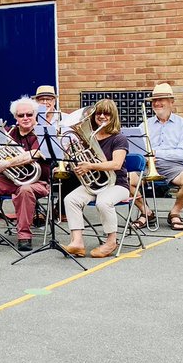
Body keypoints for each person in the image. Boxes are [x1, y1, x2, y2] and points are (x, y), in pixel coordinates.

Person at [0, 97, 50, 251]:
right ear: (15, 117)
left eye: (29, 114)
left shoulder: (43, 133)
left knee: (25, 191)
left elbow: (34, 153)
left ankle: (24, 236)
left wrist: (6, 163)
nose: (25, 118)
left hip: (36, 181)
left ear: (35, 115)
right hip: (8, 178)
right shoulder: (8, 132)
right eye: (21, 115)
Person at [61, 99, 131, 258]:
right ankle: (77, 242)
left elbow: (116, 164)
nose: (101, 116)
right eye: (98, 113)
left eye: (106, 113)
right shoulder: (87, 137)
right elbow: (84, 162)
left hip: (117, 184)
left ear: (112, 116)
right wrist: (78, 168)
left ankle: (111, 241)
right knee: (70, 199)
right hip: (95, 184)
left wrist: (90, 167)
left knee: (103, 201)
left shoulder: (118, 138)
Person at [139, 83, 183, 231]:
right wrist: (146, 157)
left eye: (161, 100)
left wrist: (154, 153)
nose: (157, 103)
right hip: (147, 165)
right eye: (154, 100)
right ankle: (145, 212)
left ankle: (175, 212)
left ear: (171, 101)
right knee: (124, 180)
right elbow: (139, 150)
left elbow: (181, 154)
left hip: (174, 166)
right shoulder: (144, 125)